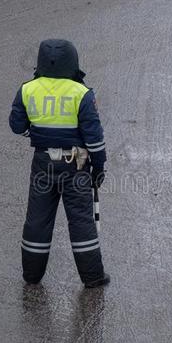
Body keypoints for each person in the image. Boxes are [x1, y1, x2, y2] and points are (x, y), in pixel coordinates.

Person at [9, 39, 110, 288]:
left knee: (38, 219)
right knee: (80, 221)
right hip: (76, 166)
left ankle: (32, 276)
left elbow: (16, 126)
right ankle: (92, 277)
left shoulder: (27, 89)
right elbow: (94, 138)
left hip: (43, 163)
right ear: (73, 62)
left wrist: (36, 136)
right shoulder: (82, 94)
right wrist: (99, 166)